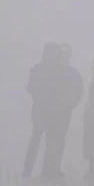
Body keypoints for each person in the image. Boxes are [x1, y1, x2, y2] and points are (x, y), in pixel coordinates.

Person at [41, 43, 84, 180]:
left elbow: (79, 91)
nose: (65, 57)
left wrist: (70, 105)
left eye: (67, 55)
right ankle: (47, 168)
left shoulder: (73, 73)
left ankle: (55, 168)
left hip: (64, 113)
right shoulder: (51, 71)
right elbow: (43, 90)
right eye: (63, 54)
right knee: (51, 139)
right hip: (51, 112)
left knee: (59, 140)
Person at [23, 42, 62, 178]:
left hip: (41, 110)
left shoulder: (37, 69)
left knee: (37, 140)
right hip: (49, 110)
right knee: (48, 141)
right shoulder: (56, 71)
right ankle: (45, 170)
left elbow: (31, 89)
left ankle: (29, 169)